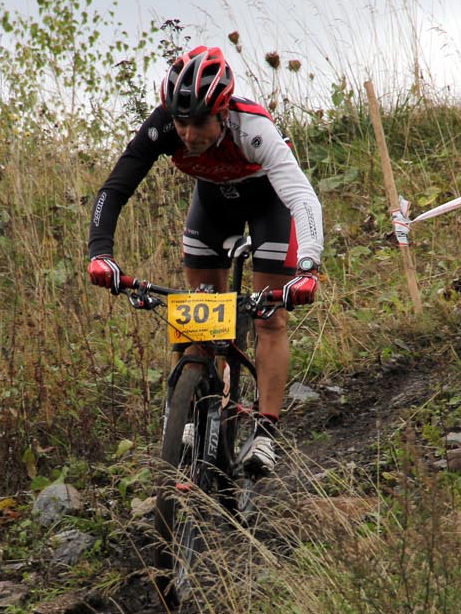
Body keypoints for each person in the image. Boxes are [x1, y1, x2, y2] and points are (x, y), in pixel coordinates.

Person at [86, 45, 324, 475]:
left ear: (222, 112)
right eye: (181, 122)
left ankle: (266, 433)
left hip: (268, 206)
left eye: (198, 123)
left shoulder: (253, 129)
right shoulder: (163, 126)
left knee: (269, 319)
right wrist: (100, 253)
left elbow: (301, 197)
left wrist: (307, 268)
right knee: (199, 317)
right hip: (212, 208)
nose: (188, 134)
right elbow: (114, 189)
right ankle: (194, 411)